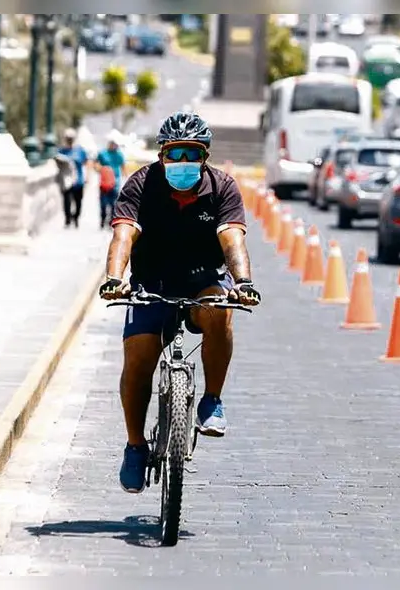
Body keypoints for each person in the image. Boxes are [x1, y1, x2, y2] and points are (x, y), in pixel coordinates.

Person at [98, 111, 262, 494]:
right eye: (175, 154)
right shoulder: (140, 184)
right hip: (151, 282)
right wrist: (113, 279)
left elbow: (233, 239)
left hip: (203, 279)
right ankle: (135, 446)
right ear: (161, 155)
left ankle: (211, 401)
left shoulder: (222, 188)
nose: (182, 163)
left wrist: (243, 282)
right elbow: (123, 235)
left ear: (204, 157)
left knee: (221, 311)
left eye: (191, 154)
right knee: (137, 358)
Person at [57, 128, 90, 228]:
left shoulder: (80, 150)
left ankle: (76, 218)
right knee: (66, 201)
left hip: (78, 181)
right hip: (66, 181)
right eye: (68, 138)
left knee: (78, 202)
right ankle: (67, 219)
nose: (69, 140)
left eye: (71, 138)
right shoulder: (61, 150)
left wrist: (87, 177)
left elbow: (87, 163)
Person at [96, 139, 126, 229]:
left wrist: (126, 179)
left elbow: (123, 166)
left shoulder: (119, 154)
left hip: (115, 182)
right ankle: (102, 220)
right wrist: (103, 170)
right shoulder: (103, 153)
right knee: (103, 203)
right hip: (104, 181)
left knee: (114, 203)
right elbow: (96, 165)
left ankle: (110, 222)